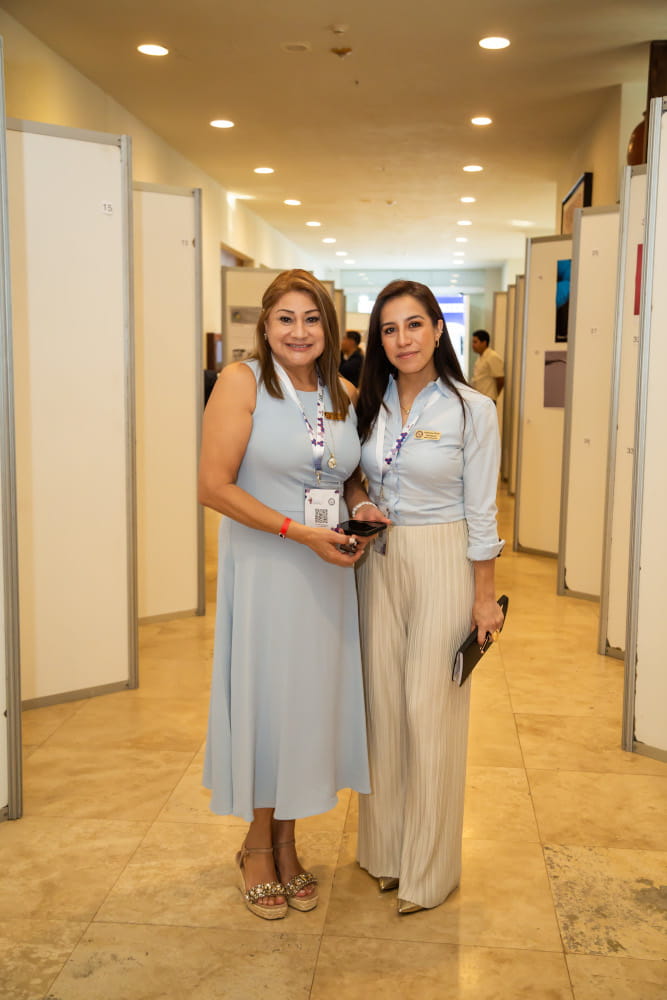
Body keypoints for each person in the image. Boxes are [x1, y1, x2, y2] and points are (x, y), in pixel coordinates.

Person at [199, 268, 370, 921]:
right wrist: (299, 533)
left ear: (329, 327)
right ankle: (255, 846)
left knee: (306, 706)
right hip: (269, 566)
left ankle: (288, 842)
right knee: (269, 700)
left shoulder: (342, 392)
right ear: (265, 326)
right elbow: (213, 485)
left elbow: (345, 474)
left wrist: (362, 508)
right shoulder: (241, 382)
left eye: (312, 319)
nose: (299, 331)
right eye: (286, 319)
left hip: (325, 573)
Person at [345, 279, 504, 914]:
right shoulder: (367, 403)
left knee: (430, 711)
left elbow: (483, 511)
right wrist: (362, 501)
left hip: (444, 557)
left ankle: (429, 871)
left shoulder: (472, 409)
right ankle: (386, 853)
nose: (403, 339)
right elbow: (351, 472)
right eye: (389, 329)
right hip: (376, 562)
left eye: (414, 325)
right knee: (382, 707)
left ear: (439, 330)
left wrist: (484, 597)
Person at [471, 329, 504, 402]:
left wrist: (494, 396)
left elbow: (500, 379)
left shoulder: (492, 356)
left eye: (475, 342)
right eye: (472, 342)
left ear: (484, 343)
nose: (473, 345)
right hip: (479, 398)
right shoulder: (480, 357)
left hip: (488, 398)